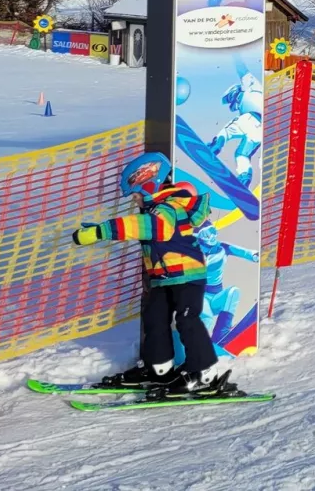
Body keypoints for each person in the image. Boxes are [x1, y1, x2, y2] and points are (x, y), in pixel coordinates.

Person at [72, 152, 238, 398]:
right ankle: (159, 368)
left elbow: (152, 228)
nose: (136, 200)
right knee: (154, 319)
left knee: (187, 321)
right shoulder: (156, 209)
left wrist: (102, 231)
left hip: (187, 276)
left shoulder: (167, 209)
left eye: (137, 195)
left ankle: (205, 374)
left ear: (150, 187)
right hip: (164, 278)